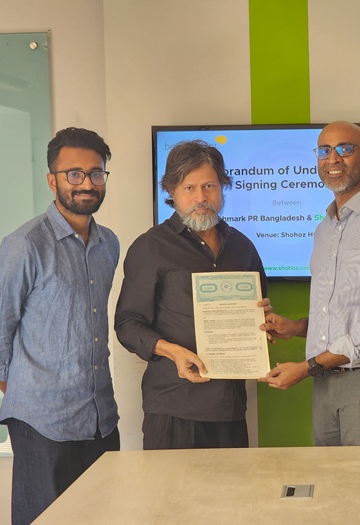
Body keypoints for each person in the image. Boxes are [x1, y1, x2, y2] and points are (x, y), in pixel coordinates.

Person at [0, 127, 120, 525]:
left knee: (103, 517)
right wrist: (28, 392)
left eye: (96, 173)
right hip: (42, 423)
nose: (87, 183)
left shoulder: (109, 243)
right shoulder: (24, 245)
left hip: (100, 418)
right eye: (74, 174)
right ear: (52, 180)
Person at [259, 121, 360, 446]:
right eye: (324, 151)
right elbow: (343, 313)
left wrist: (306, 368)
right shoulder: (324, 230)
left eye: (345, 149)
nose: (332, 159)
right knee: (330, 477)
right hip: (327, 382)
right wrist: (296, 327)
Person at [115, 140, 269, 450]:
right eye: (189, 188)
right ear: (171, 191)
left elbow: (259, 312)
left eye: (209, 186)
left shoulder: (242, 247)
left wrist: (264, 323)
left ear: (222, 187)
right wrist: (172, 351)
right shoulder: (151, 247)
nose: (201, 197)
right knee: (170, 485)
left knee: (232, 484)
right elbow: (127, 324)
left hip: (229, 408)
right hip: (174, 407)